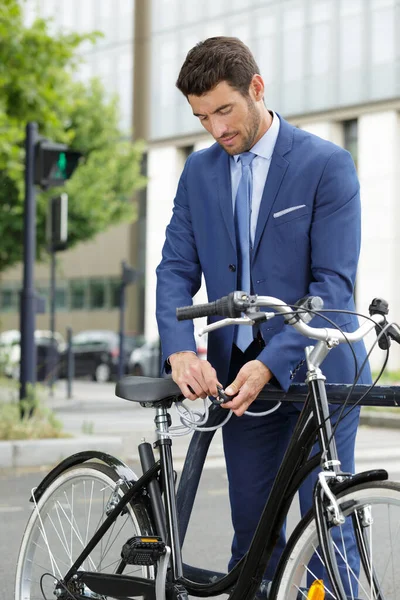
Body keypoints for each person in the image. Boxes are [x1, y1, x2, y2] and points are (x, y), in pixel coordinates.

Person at [156, 36, 371, 587]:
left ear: (257, 88)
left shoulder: (326, 164)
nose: (216, 129)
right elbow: (175, 269)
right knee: (252, 538)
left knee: (328, 529)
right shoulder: (199, 174)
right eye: (202, 118)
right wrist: (180, 350)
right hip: (240, 385)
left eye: (224, 110)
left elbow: (334, 288)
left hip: (319, 371)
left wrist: (272, 361)